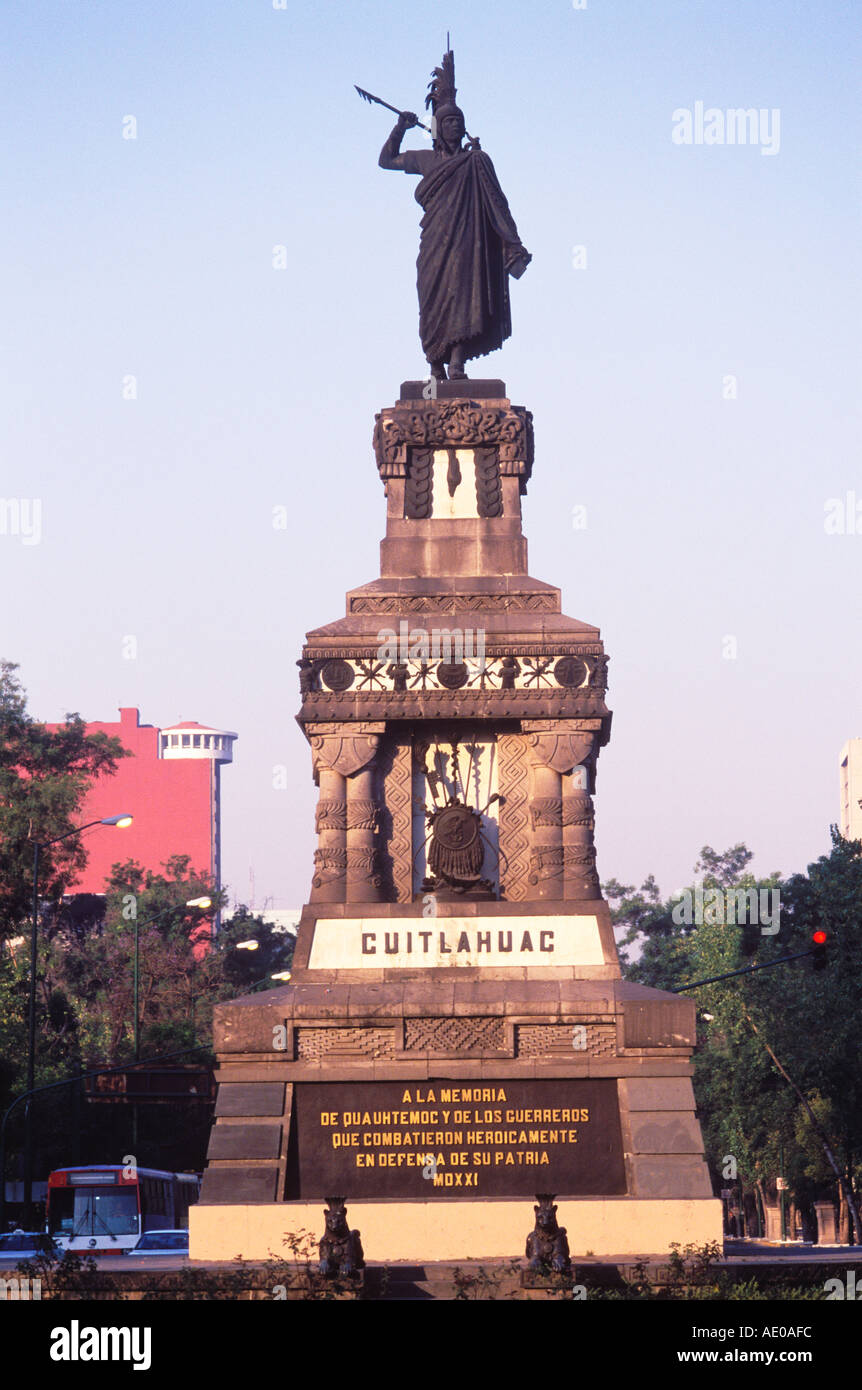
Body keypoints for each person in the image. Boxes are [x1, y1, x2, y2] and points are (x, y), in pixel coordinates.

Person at [378, 59, 530, 381]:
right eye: (448, 123)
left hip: (464, 242)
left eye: (459, 122)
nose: (455, 127)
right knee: (431, 295)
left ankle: (456, 362)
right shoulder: (426, 159)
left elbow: (497, 202)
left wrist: (511, 244)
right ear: (437, 128)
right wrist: (400, 128)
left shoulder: (475, 161)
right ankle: (435, 367)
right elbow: (386, 161)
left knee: (463, 293)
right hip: (434, 242)